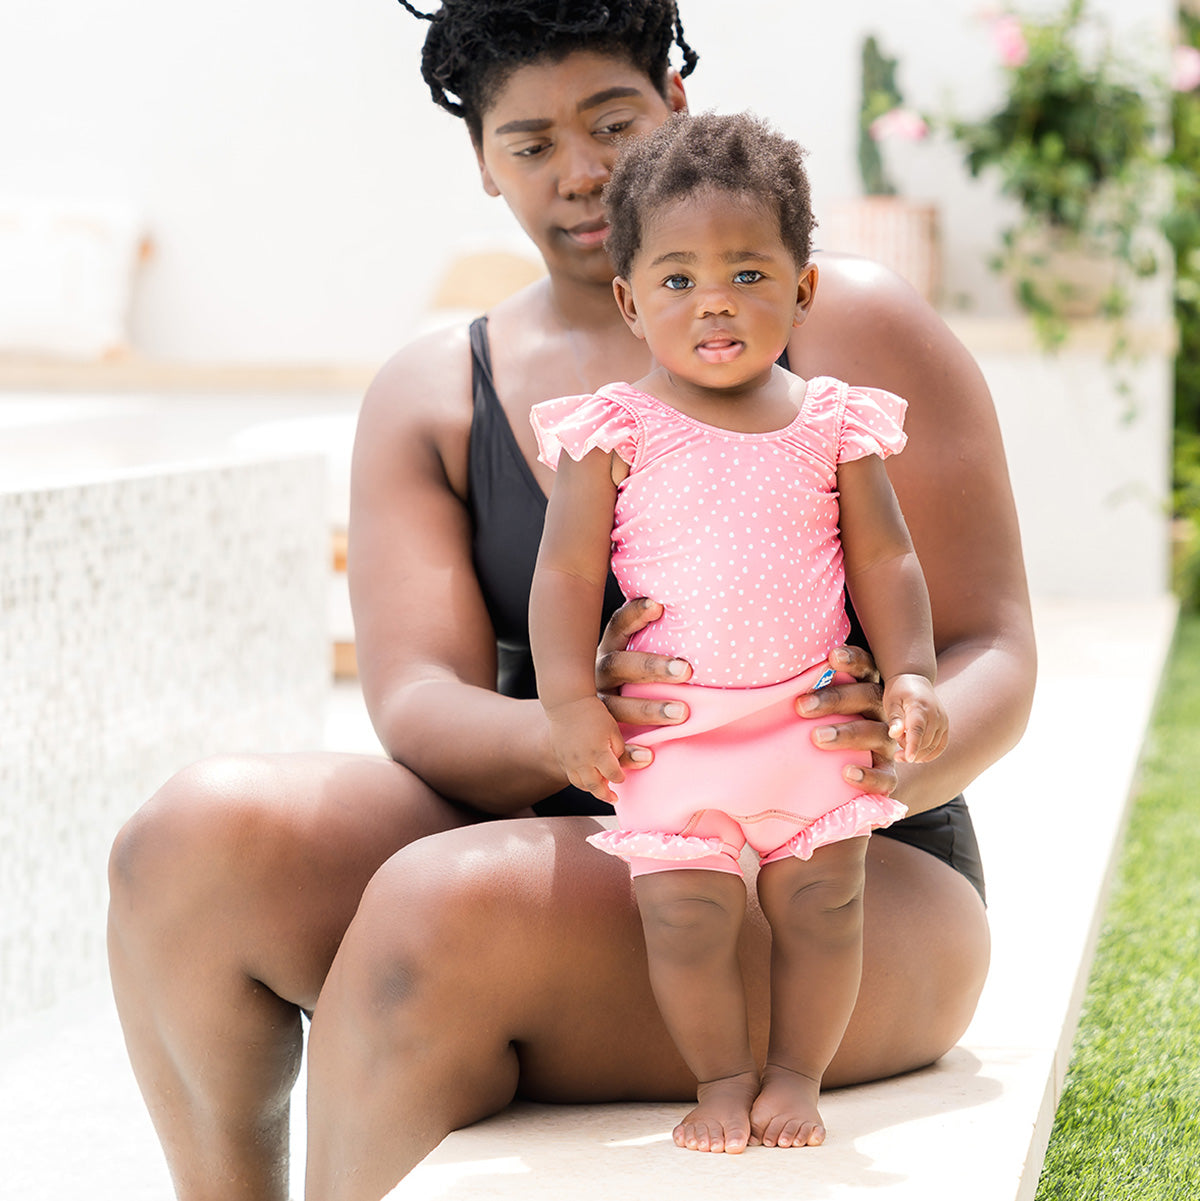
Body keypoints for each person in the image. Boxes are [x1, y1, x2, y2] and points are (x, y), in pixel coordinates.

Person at [104, 3, 1035, 1199]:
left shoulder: (847, 327)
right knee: (188, 842)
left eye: (613, 121)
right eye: (531, 142)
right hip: (591, 831)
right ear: (483, 165)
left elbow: (993, 646)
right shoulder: (441, 392)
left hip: (842, 882)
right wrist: (575, 720)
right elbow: (419, 701)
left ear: (677, 105)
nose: (582, 172)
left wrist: (877, 748)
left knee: (442, 905)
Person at [528, 110, 950, 1154]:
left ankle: (796, 1076)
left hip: (809, 721)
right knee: (684, 916)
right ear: (629, 301)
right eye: (677, 281)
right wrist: (569, 703)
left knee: (825, 906)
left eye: (749, 275)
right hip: (677, 734)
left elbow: (887, 560)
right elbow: (567, 574)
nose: (714, 299)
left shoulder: (833, 421)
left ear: (803, 289)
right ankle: (721, 1079)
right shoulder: (614, 429)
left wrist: (915, 676)